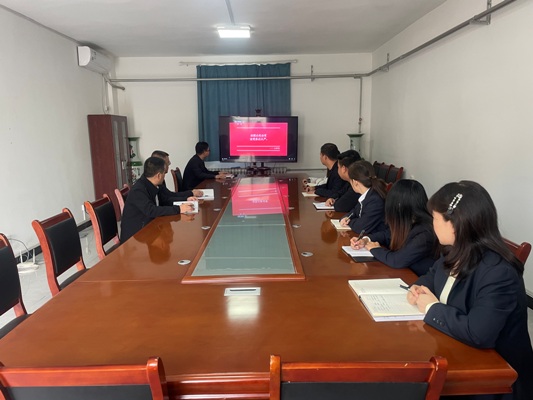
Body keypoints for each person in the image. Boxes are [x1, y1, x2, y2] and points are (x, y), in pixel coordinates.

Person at [407, 181, 533, 399]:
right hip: (456, 349)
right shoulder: (456, 250)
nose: (432, 224)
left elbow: (478, 333)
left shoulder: (498, 272)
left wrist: (431, 307)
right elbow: (431, 275)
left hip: (495, 380)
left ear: (454, 225)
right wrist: (419, 287)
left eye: (435, 218)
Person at [350, 179, 437, 276]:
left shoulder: (425, 232)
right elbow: (386, 235)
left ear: (398, 205)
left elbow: (397, 260)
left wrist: (374, 249)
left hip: (414, 279)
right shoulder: (408, 220)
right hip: (401, 273)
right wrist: (366, 240)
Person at [120, 157, 193, 242]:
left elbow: (164, 200)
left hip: (149, 227)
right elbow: (151, 210)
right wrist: (179, 209)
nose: (164, 176)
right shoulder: (138, 190)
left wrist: (184, 202)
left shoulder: (152, 184)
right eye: (164, 173)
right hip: (135, 238)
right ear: (158, 175)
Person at [340, 160, 386, 234]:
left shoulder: (375, 200)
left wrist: (350, 222)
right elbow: (354, 211)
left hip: (376, 239)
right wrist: (347, 217)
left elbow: (361, 227)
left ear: (355, 182)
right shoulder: (367, 195)